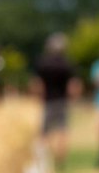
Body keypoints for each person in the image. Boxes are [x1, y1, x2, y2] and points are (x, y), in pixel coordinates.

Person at [33, 33, 81, 164]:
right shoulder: (68, 64)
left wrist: (38, 97)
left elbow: (37, 85)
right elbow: (74, 86)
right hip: (63, 101)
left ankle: (43, 159)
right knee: (62, 130)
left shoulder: (43, 64)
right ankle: (61, 159)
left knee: (44, 131)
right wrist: (73, 98)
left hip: (48, 100)